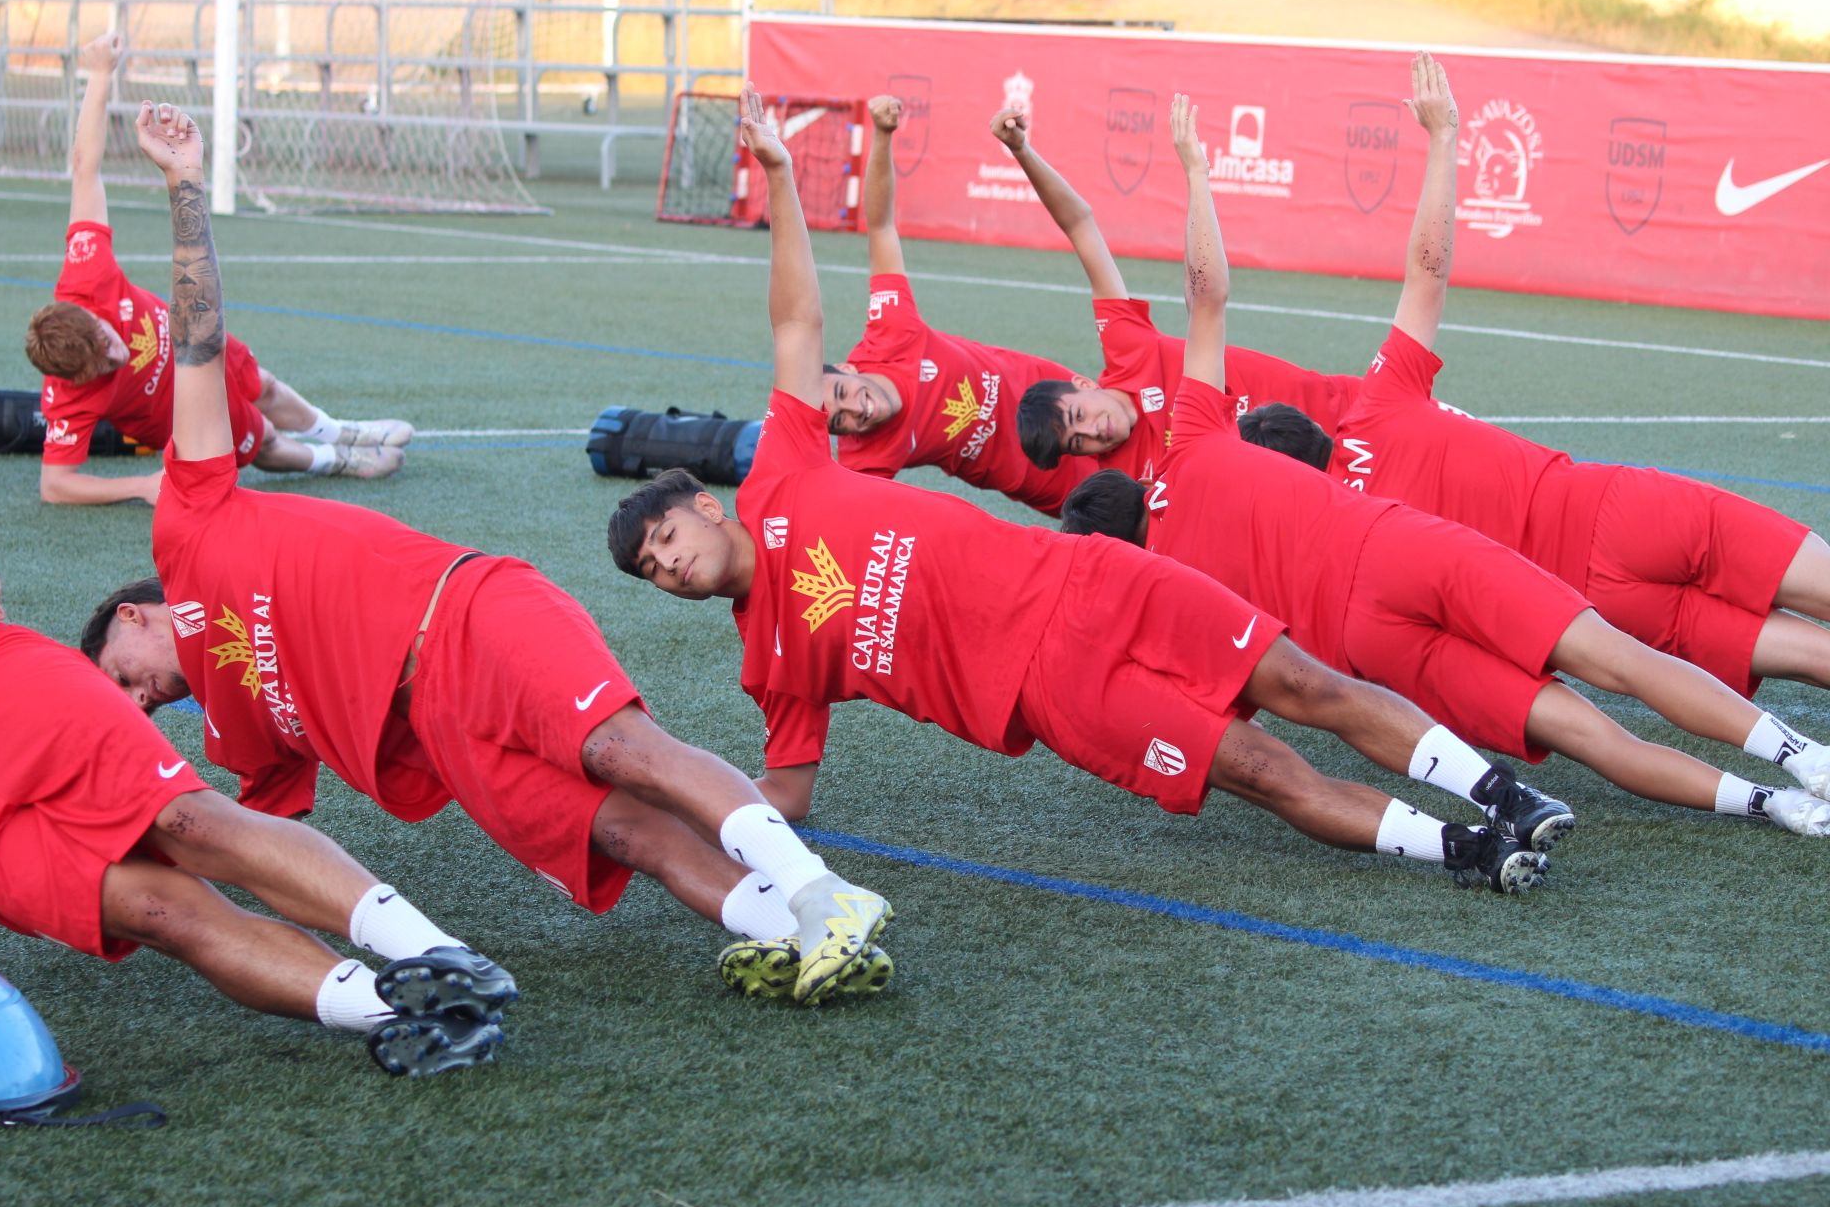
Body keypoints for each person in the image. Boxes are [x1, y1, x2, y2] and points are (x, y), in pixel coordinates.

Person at [610, 84, 1557, 895]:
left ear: (704, 505)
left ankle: (1498, 792)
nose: (671, 567)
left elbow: (796, 319)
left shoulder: (788, 467)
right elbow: (787, 794)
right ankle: (1465, 850)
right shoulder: (768, 661)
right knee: (1263, 770)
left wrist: (780, 175)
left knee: (1304, 680)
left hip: (1086, 574)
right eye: (655, 573)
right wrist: (674, 796)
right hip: (1053, 689)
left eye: (664, 541)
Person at [80, 101, 890, 1006]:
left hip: (465, 617)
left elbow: (195, 341)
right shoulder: (238, 736)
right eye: (130, 706)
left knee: (621, 748)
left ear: (133, 614)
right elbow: (260, 856)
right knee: (624, 836)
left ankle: (827, 896)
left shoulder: (189, 526)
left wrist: (183, 184)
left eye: (121, 677)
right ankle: (791, 933)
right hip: (446, 735)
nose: (139, 701)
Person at [1060, 54, 1829, 838]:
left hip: (1390, 639)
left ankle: (1779, 804)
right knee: (1664, 652)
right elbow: (1374, 278)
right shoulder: (1326, 418)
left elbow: (1256, 691)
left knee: (1611, 725)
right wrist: (1205, 166)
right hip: (1571, 519)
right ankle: (1802, 755)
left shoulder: (1174, 579)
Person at [0, 491, 515, 1077]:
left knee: (185, 821)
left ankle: (443, 956)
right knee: (156, 912)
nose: (141, 698)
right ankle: (420, 1019)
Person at [22, 34, 411, 507]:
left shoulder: (85, 276)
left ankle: (339, 430)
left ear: (92, 315)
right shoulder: (65, 397)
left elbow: (85, 169)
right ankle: (334, 460)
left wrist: (100, 74)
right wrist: (141, 487)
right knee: (261, 438)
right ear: (76, 379)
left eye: (107, 339)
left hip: (196, 345)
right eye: (104, 365)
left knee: (263, 383)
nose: (118, 355)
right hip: (182, 408)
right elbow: (54, 485)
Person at [989, 103, 1360, 485]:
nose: (1094, 433)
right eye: (1078, 443)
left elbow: (1080, 226)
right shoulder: (1128, 482)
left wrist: (1022, 151)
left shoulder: (1127, 349)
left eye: (1079, 417)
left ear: (1084, 384)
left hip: (1348, 410)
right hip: (1325, 487)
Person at [818, 94, 1097, 516]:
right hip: (1050, 480)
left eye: (843, 392)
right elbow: (847, 518)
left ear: (850, 369)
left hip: (1069, 401)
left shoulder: (890, 334)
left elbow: (880, 229)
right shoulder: (864, 457)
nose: (857, 409)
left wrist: (882, 134)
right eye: (841, 421)